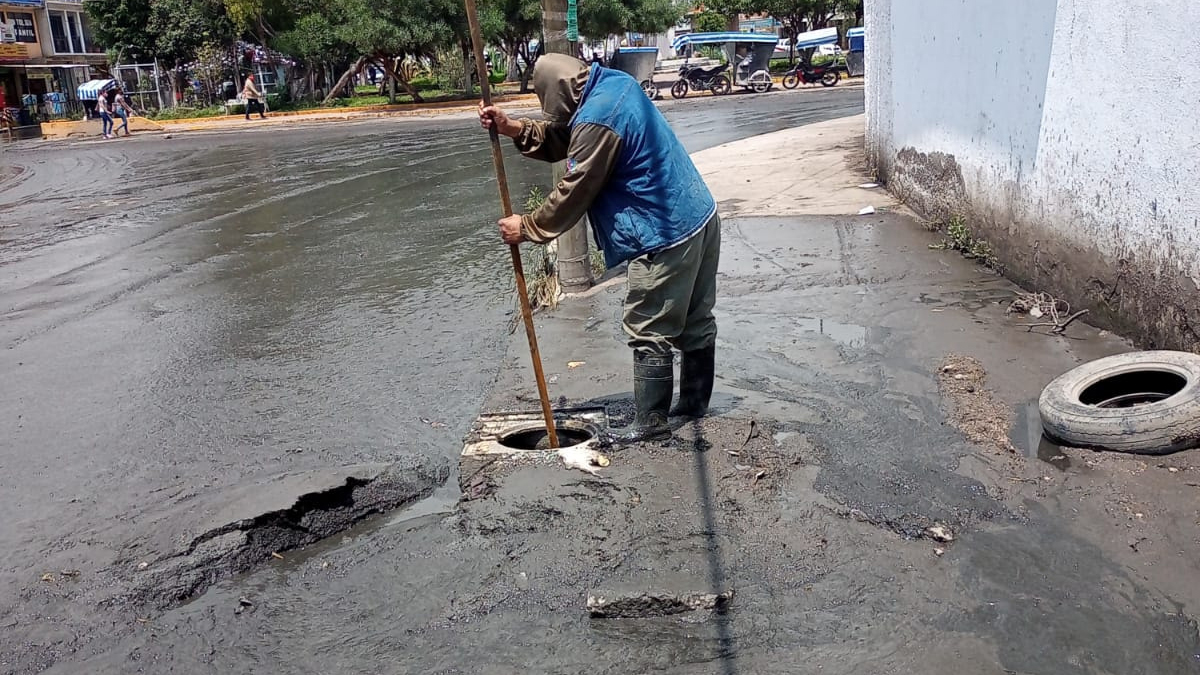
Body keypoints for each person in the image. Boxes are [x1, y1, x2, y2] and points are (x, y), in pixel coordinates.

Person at [479, 54, 720, 443]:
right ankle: (693, 404)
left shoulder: (598, 118)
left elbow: (576, 188)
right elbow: (569, 135)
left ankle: (652, 424)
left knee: (649, 326)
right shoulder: (612, 84)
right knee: (695, 320)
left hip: (663, 233)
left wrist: (526, 226)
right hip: (699, 216)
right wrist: (514, 129)